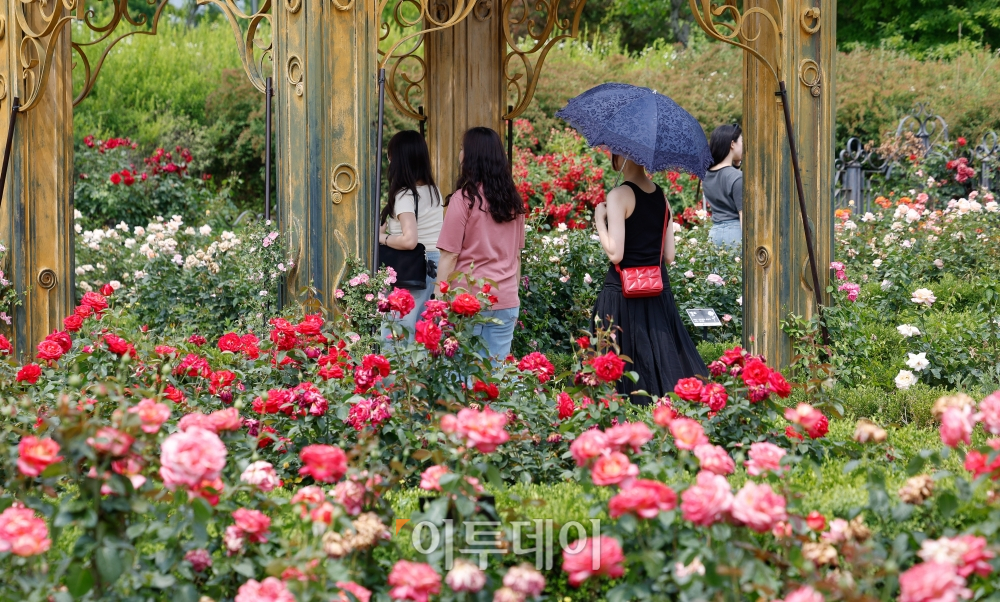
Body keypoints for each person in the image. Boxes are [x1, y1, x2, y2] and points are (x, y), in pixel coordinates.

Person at [592, 153, 708, 402]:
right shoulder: (662, 197)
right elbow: (669, 256)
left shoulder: (618, 196)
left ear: (619, 158)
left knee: (615, 370)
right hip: (656, 290)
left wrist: (599, 222)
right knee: (660, 367)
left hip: (621, 293)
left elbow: (615, 253)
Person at [436, 127, 526, 360]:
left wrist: (437, 301)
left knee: (461, 379)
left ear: (472, 156)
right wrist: (511, 295)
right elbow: (516, 257)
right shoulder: (514, 202)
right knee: (494, 379)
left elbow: (449, 257)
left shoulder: (464, 199)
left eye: (462, 148)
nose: (460, 153)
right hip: (505, 300)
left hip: (467, 304)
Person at [379, 130, 444, 340]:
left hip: (412, 268)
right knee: (425, 333)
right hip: (436, 264)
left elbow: (409, 240)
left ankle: (395, 373)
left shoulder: (405, 195)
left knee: (396, 333)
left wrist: (382, 239)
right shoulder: (434, 191)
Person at [703, 124, 744, 249]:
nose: (744, 146)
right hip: (735, 235)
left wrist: (736, 165)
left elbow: (723, 180)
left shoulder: (706, 175)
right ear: (732, 144)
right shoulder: (737, 177)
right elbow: (743, 215)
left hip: (715, 235)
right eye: (742, 141)